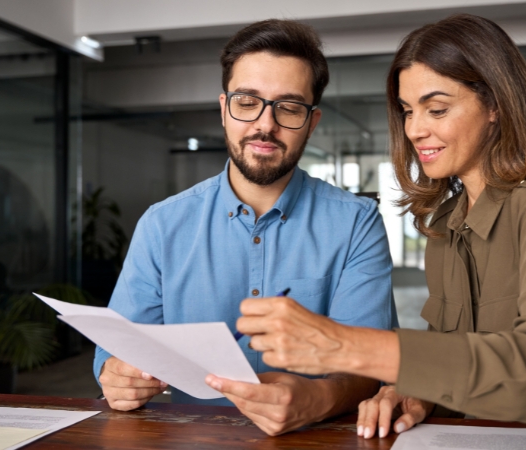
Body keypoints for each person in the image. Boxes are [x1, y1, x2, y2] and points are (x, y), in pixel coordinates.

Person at [234, 14, 526, 439]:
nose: (415, 130)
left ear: (495, 106)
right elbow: (461, 359)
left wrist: (345, 346)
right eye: (408, 111)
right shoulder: (446, 225)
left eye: (437, 108)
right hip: (501, 425)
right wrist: (418, 392)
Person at [92, 19, 397, 436]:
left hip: (318, 441)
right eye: (247, 101)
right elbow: (115, 350)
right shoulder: (162, 225)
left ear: (312, 121)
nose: (265, 125)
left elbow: (370, 366)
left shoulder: (356, 223)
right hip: (191, 440)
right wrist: (115, 374)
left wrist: (316, 399)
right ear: (224, 109)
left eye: (288, 108)